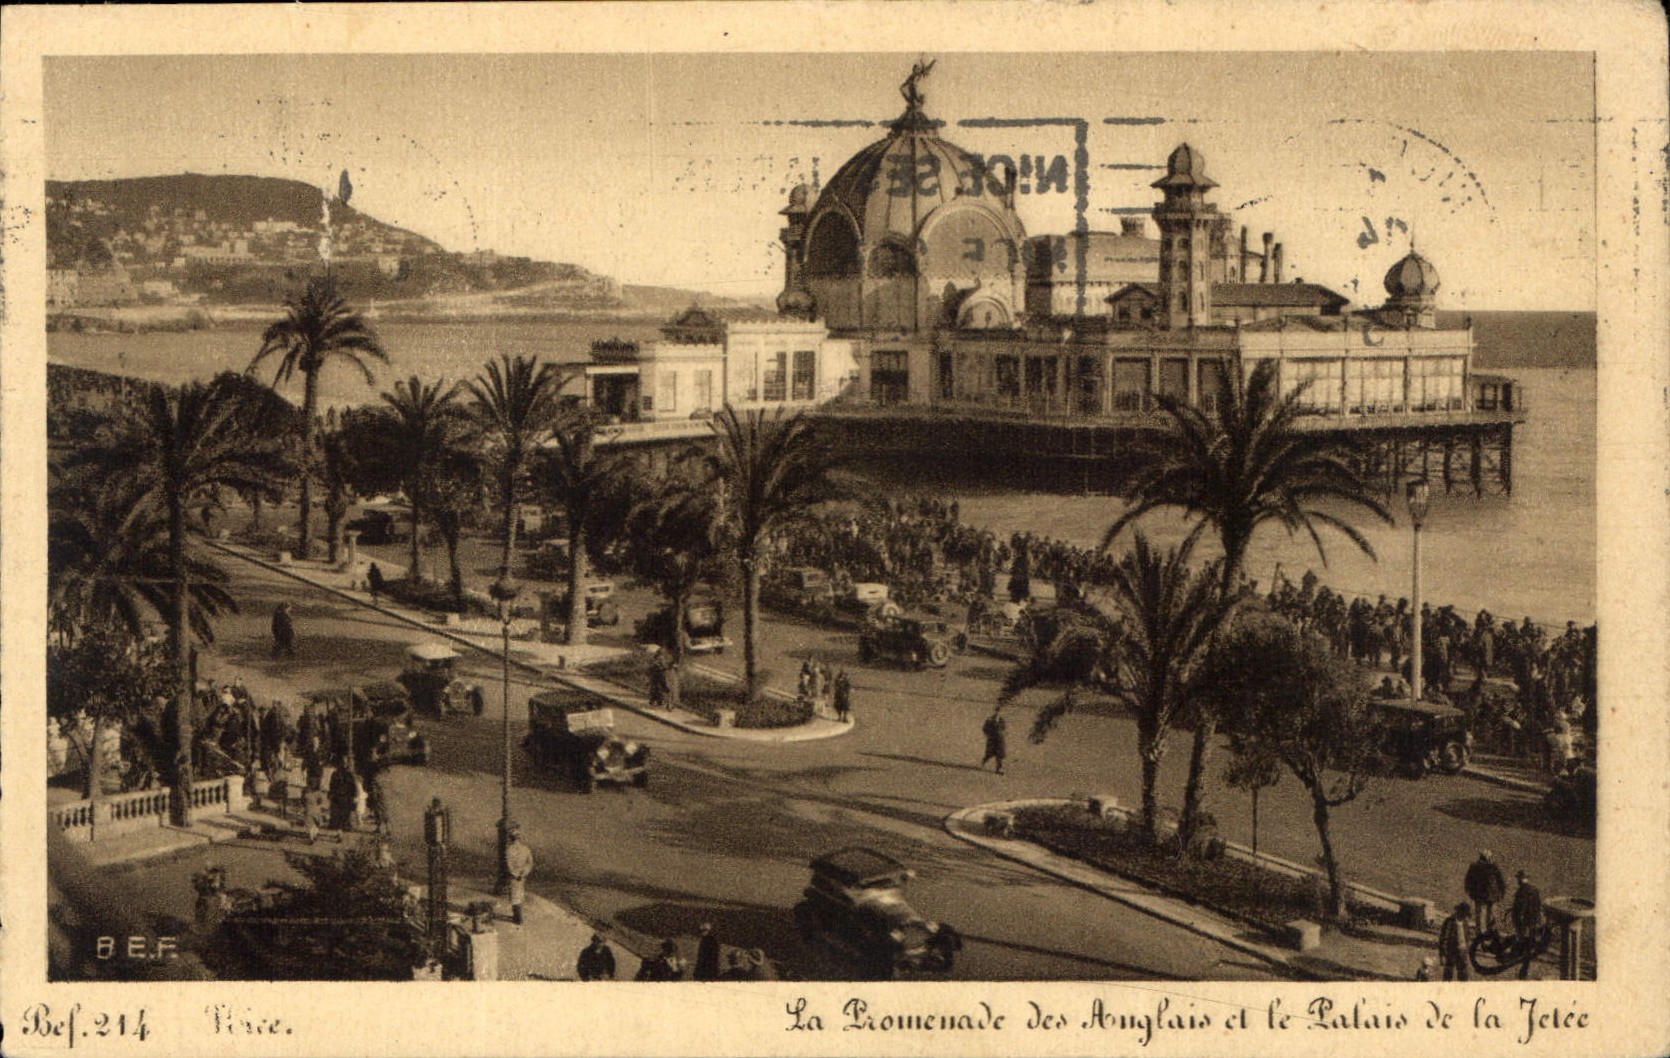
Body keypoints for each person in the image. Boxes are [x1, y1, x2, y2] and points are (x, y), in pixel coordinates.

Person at [1510, 870, 1544, 980]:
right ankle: (1524, 967)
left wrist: (1518, 919)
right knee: (1529, 943)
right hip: (1533, 921)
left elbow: (1521, 908)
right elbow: (1538, 906)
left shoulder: (1521, 891)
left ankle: (1524, 969)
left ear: (1520, 879)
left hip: (1523, 923)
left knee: (1524, 942)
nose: (1518, 881)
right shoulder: (1535, 890)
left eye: (1518, 878)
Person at [1464, 850, 1506, 934]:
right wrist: (1501, 892)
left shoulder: (1476, 866)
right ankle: (1485, 933)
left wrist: (1469, 891)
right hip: (1488, 895)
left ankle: (1482, 933)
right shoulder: (1493, 866)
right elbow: (1501, 881)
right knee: (1487, 915)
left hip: (1483, 895)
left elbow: (1468, 881)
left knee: (1481, 915)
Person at [504, 825, 534, 926]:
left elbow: (508, 865)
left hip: (513, 877)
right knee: (520, 895)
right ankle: (518, 917)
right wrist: (523, 873)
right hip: (522, 876)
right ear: (519, 838)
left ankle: (518, 918)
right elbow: (529, 863)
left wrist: (515, 874)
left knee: (514, 896)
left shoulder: (509, 850)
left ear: (511, 838)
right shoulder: (526, 849)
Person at [1437, 901, 1471, 981]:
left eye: (1466, 915)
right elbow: (1442, 938)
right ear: (1459, 911)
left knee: (1463, 974)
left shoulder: (1465, 923)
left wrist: (1466, 949)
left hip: (1462, 951)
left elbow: (1467, 937)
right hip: (1451, 951)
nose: (1465, 916)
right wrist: (1441, 954)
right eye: (1463, 914)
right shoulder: (1449, 921)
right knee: (1448, 973)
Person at [981, 708, 1008, 774]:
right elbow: (984, 728)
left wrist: (1002, 733)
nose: (997, 713)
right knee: (989, 753)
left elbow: (1004, 728)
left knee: (1000, 755)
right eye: (996, 711)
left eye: (999, 712)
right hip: (992, 739)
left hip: (1000, 739)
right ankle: (983, 763)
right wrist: (988, 734)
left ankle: (998, 769)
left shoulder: (1002, 720)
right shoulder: (989, 720)